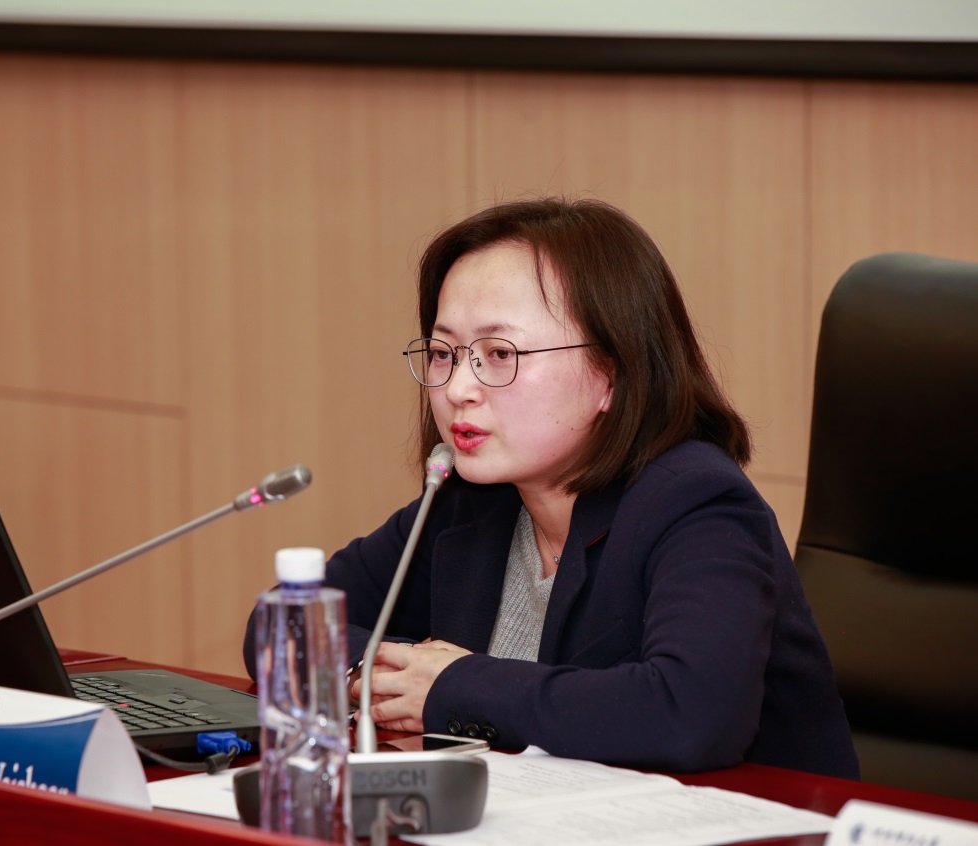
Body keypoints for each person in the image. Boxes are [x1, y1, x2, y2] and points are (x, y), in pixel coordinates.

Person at [243, 197, 859, 779]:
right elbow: (280, 629)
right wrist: (374, 679)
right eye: (444, 353)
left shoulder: (696, 503)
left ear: (610, 375)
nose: (457, 388)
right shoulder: (469, 505)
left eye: (499, 353)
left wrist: (453, 685)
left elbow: (690, 714)